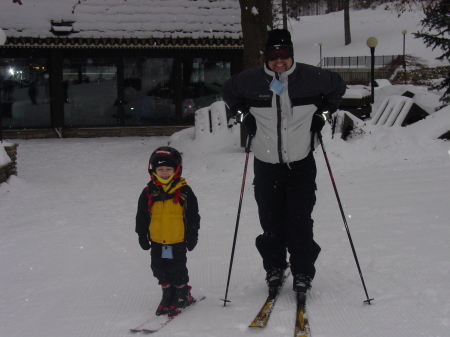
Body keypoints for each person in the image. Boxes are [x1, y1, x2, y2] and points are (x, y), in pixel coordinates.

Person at [222, 29, 346, 302]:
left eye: (284, 53)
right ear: (266, 56)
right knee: (270, 222)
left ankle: (303, 271)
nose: (279, 60)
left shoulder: (312, 77)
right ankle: (275, 268)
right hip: (266, 165)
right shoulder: (250, 80)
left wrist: (323, 115)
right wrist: (244, 116)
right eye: (273, 54)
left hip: (301, 163)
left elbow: (338, 87)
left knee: (300, 222)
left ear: (292, 53)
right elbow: (228, 92)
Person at [135, 146, 200, 316]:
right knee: (158, 268)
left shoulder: (184, 191)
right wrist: (142, 235)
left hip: (177, 240)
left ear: (176, 170)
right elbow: (141, 216)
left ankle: (182, 294)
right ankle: (167, 293)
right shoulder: (149, 192)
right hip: (157, 240)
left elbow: (193, 216)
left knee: (177, 269)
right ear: (153, 170)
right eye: (160, 169)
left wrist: (193, 235)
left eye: (168, 169)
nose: (164, 173)